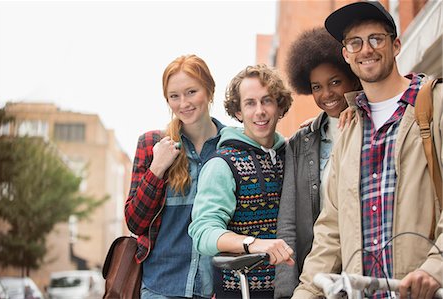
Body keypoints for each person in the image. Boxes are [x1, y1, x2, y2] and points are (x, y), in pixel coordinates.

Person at [292, 1, 443, 299]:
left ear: (396, 45)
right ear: (346, 54)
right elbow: (329, 231)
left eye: (376, 38)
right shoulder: (349, 130)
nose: (366, 50)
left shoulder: (434, 106)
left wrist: (435, 267)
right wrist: (306, 292)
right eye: (355, 43)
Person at [188, 64, 294, 298]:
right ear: (238, 111)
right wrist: (252, 243)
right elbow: (203, 233)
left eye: (267, 101)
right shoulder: (222, 164)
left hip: (295, 289)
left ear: (279, 106)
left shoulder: (293, 153)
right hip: (240, 291)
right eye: (250, 103)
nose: (260, 111)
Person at [125, 54, 225, 299]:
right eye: (174, 96)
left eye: (191, 92)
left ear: (209, 90)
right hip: (160, 287)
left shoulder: (230, 146)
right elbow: (135, 222)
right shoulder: (151, 144)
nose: (184, 103)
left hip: (216, 288)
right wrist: (157, 168)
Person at [274, 27, 361, 299]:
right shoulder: (301, 143)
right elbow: (288, 221)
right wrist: (286, 289)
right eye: (316, 87)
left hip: (364, 266)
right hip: (319, 272)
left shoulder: (372, 125)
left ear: (351, 77)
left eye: (335, 82)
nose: (327, 93)